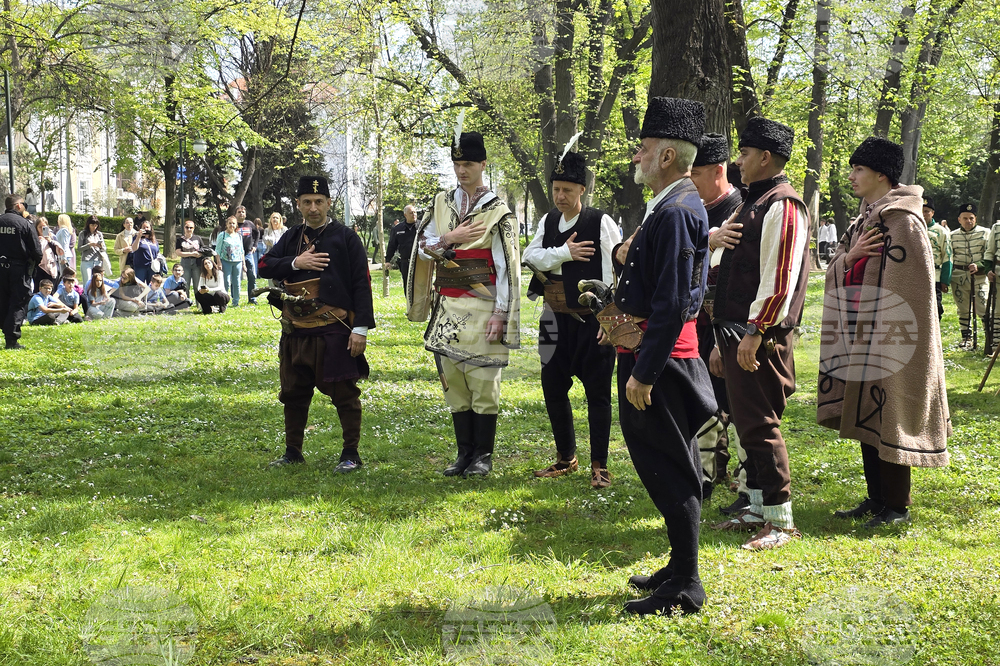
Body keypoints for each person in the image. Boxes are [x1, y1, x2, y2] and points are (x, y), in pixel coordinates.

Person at [611, 97, 715, 616]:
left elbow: (674, 301)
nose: (636, 155)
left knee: (669, 467)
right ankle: (679, 566)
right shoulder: (672, 204)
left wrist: (645, 372)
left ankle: (686, 585)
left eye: (644, 147)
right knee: (674, 462)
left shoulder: (675, 210)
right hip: (656, 354)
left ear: (668, 156)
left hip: (662, 360)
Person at [818, 136, 950, 527]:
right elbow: (838, 266)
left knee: (888, 410)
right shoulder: (865, 219)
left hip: (892, 334)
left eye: (859, 169)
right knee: (866, 412)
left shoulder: (904, 221)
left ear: (881, 174)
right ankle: (876, 498)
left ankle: (897, 505)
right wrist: (851, 257)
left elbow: (913, 290)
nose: (852, 176)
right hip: (858, 330)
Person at [708, 116, 810, 550]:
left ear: (765, 157)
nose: (738, 162)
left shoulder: (782, 205)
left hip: (758, 337)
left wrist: (755, 331)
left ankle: (781, 521)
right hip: (734, 334)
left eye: (745, 155)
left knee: (761, 424)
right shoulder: (752, 202)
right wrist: (721, 339)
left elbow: (779, 279)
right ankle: (755, 506)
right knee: (747, 423)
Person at [406, 128, 521, 477]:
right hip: (448, 306)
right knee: (454, 383)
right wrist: (450, 238)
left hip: (485, 305)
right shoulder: (441, 203)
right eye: (457, 163)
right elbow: (425, 249)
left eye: (468, 163)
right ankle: (464, 454)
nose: (461, 170)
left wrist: (502, 313)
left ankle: (483, 455)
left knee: (484, 381)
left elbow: (506, 266)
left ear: (483, 164)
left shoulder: (498, 211)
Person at [258, 175, 376, 473]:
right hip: (295, 329)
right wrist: (297, 263)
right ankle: (293, 452)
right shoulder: (292, 236)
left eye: (319, 202)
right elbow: (263, 266)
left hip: (333, 327)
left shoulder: (346, 237)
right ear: (298, 204)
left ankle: (351, 454)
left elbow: (362, 283)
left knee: (344, 393)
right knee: (293, 393)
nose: (313, 208)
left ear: (328, 203)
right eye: (307, 202)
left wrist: (360, 329)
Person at [522, 146, 621, 488]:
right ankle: (566, 458)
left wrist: (611, 322)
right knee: (552, 387)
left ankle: (600, 465)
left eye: (567, 189)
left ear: (582, 189)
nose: (560, 196)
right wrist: (564, 253)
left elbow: (614, 272)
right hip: (553, 319)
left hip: (593, 322)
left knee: (597, 393)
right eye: (556, 189)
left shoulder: (600, 222)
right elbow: (529, 257)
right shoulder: (548, 221)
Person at [689, 133, 747, 509]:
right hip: (694, 325)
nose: (689, 181)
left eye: (695, 173)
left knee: (739, 409)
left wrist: (719, 341)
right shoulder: (692, 208)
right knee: (703, 405)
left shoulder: (740, 210)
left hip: (727, 327)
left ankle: (748, 484)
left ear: (718, 170)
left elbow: (734, 281)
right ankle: (706, 476)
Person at [0, 194, 42, 349]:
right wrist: (33, 264)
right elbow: (36, 251)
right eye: (24, 204)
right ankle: (11, 340)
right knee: (17, 302)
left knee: (2, 300)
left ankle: (6, 332)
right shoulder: (24, 224)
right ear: (18, 205)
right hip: (18, 269)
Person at [949, 202, 989, 348]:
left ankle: (989, 337)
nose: (968, 221)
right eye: (965, 218)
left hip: (979, 276)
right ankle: (966, 338)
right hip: (958, 276)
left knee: (983, 306)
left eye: (971, 218)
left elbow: (989, 255)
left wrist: (979, 265)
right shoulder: (952, 236)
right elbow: (949, 256)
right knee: (963, 308)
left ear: (975, 218)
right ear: (959, 219)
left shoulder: (985, 233)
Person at [921, 196, 952, 322]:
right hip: (915, 275)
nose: (923, 214)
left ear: (932, 213)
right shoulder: (911, 229)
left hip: (935, 276)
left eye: (926, 211)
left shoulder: (941, 232)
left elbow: (947, 256)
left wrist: (945, 280)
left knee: (935, 307)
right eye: (921, 210)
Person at [386, 204, 418, 292]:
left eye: (415, 212)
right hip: (406, 262)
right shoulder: (398, 229)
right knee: (408, 286)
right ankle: (409, 304)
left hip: (420, 261)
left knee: (420, 285)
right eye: (411, 213)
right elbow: (392, 245)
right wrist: (388, 260)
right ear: (405, 215)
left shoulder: (422, 226)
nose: (414, 214)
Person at [215, 215, 244, 307]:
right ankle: (224, 300)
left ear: (236, 225)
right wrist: (218, 262)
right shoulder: (222, 235)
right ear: (226, 224)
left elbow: (242, 250)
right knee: (226, 282)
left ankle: (236, 301)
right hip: (226, 261)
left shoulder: (239, 236)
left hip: (238, 261)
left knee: (237, 282)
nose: (232, 225)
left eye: (233, 223)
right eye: (230, 223)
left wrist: (244, 264)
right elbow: (217, 251)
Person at [235, 205, 260, 304]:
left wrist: (255, 246)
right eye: (239, 212)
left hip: (248, 253)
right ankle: (234, 299)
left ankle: (252, 298)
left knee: (252, 276)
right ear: (236, 214)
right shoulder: (233, 224)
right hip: (235, 255)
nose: (241, 214)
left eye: (243, 212)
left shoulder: (249, 224)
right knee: (235, 278)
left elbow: (257, 234)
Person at [175, 220, 205, 297]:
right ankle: (186, 303)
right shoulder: (180, 240)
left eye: (191, 227)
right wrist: (191, 254)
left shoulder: (198, 238)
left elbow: (203, 250)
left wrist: (199, 254)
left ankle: (200, 304)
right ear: (184, 228)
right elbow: (178, 253)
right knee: (185, 284)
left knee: (197, 284)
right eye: (187, 227)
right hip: (185, 262)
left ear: (193, 228)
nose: (189, 229)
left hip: (197, 263)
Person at [33, 216, 64, 289]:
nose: (42, 229)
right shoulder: (34, 237)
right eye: (40, 227)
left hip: (50, 266)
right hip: (38, 266)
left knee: (51, 288)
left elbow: (57, 252)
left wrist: (50, 241)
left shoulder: (52, 237)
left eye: (44, 227)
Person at [130, 219, 162, 284]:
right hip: (140, 266)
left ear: (150, 229)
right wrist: (139, 236)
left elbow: (157, 251)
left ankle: (150, 294)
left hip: (152, 267)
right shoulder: (137, 237)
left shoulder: (153, 239)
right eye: (144, 227)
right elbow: (134, 249)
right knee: (139, 286)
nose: (146, 229)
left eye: (147, 227)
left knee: (152, 285)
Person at [78, 215, 106, 284]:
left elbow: (104, 248)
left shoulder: (99, 234)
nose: (94, 227)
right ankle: (86, 294)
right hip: (87, 260)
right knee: (87, 281)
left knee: (98, 282)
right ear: (88, 224)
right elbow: (79, 249)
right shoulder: (83, 234)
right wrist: (89, 245)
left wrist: (100, 246)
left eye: (96, 225)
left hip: (97, 260)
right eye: (92, 225)